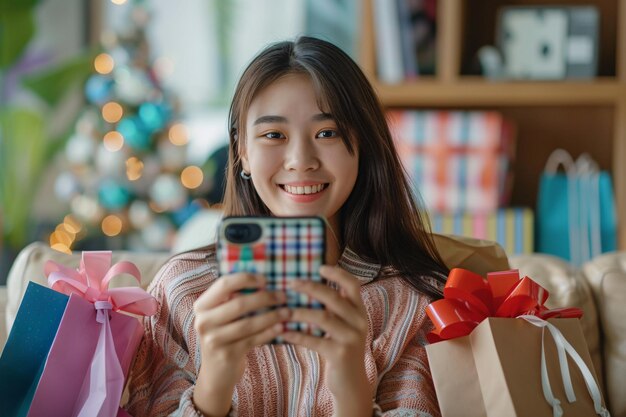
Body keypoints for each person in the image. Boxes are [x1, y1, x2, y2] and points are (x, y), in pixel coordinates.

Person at [125, 36, 448, 417]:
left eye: (327, 133)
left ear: (363, 147)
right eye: (273, 135)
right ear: (242, 151)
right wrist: (213, 386)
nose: (300, 160)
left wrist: (352, 395)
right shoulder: (181, 293)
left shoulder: (413, 303)